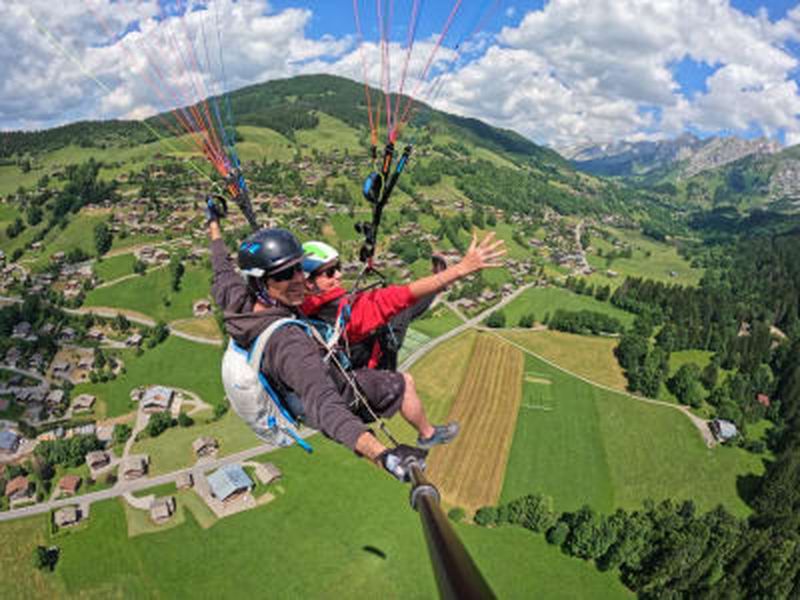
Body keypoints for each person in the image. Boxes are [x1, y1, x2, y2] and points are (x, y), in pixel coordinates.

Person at [206, 214, 475, 480]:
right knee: (404, 380)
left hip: (300, 379)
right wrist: (384, 456)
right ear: (261, 283)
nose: (300, 279)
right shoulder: (290, 344)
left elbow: (221, 270)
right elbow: (327, 407)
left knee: (398, 317)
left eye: (301, 268)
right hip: (334, 390)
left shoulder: (238, 299)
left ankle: (436, 288)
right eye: (287, 274)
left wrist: (214, 223)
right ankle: (428, 434)